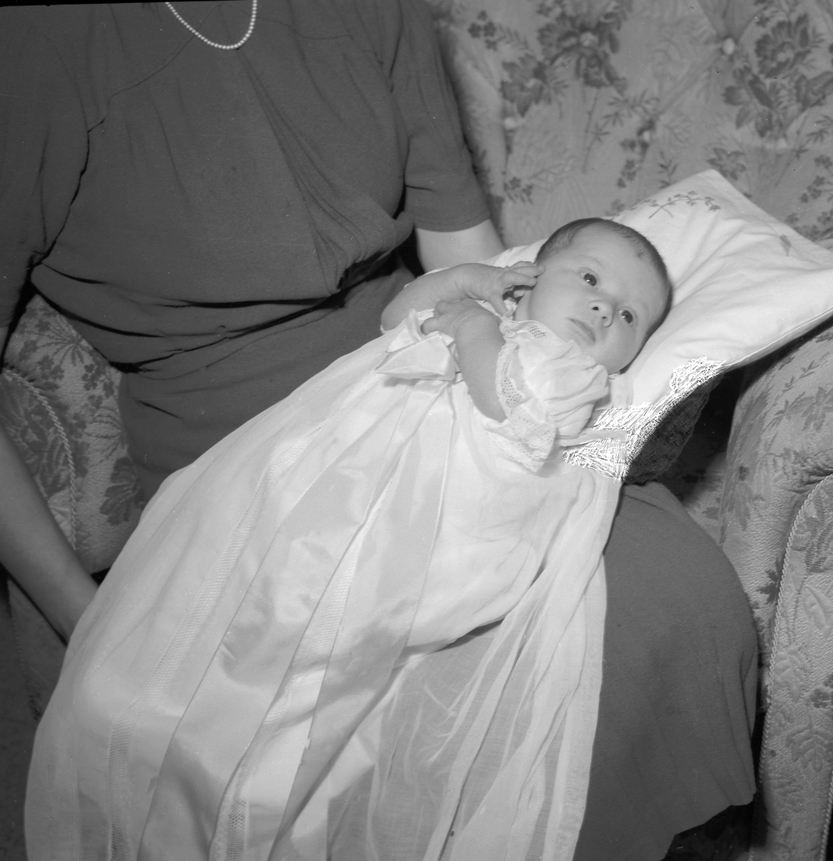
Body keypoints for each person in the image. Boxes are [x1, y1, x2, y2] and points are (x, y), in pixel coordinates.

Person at [0, 3, 757, 859]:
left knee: (672, 603)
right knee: (333, 746)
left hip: (446, 393)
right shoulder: (34, 44)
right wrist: (89, 615)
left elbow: (473, 261)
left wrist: (536, 344)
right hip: (245, 453)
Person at [27, 219, 672, 859]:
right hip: (354, 483)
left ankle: (237, 774)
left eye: (629, 317)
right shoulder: (491, 310)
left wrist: (472, 328)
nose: (603, 310)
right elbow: (397, 317)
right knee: (248, 567)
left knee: (318, 648)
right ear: (531, 277)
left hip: (430, 527)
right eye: (590, 279)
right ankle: (179, 726)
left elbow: (509, 404)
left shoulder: (571, 370)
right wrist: (465, 282)